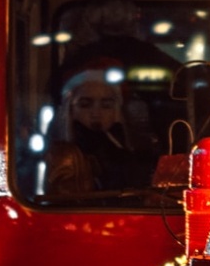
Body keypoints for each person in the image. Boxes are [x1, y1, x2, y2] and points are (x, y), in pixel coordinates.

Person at [45, 67, 158, 198]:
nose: (96, 113)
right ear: (71, 110)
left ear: (116, 112)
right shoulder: (65, 155)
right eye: (85, 104)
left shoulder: (125, 150)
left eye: (106, 105)